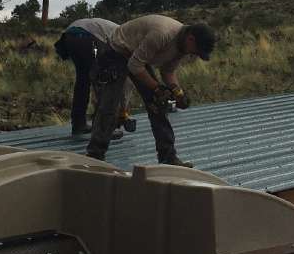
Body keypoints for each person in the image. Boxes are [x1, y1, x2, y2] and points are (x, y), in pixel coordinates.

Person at [86, 15, 216, 167]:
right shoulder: (162, 34)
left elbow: (168, 72)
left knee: (158, 105)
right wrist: (157, 88)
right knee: (110, 105)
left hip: (138, 56)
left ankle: (168, 157)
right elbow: (134, 66)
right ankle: (95, 156)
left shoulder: (182, 47)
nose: (194, 54)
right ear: (191, 39)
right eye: (196, 51)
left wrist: (178, 92)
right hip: (117, 51)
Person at [54, 17, 122, 138]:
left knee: (83, 81)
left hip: (69, 35)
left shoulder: (117, 30)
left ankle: (78, 125)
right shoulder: (124, 37)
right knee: (102, 81)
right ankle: (103, 129)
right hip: (87, 37)